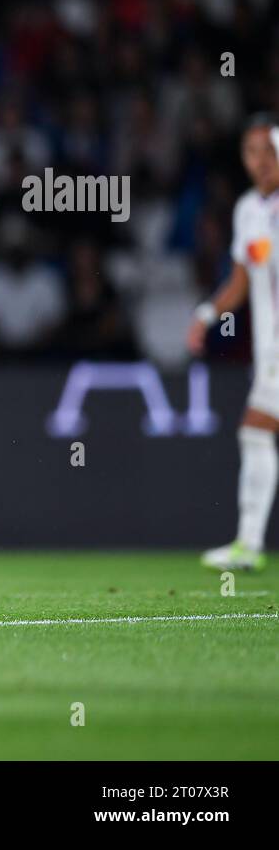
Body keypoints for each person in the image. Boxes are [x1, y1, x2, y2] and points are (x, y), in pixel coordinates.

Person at [187, 114, 279, 571]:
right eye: (251, 152)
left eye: (269, 149)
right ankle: (248, 544)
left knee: (256, 430)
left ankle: (249, 543)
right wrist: (208, 313)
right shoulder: (248, 210)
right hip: (270, 351)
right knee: (256, 431)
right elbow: (241, 280)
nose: (261, 160)